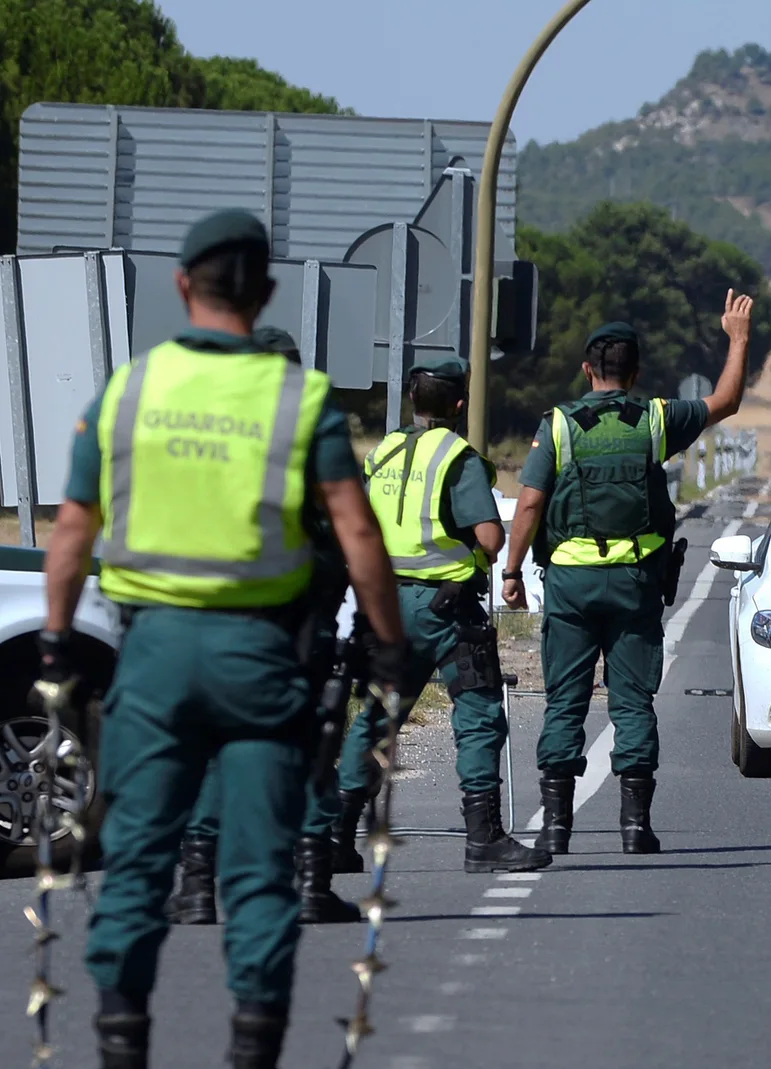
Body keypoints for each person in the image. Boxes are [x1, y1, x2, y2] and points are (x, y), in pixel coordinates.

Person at [36, 209, 408, 1069]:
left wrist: (56, 646)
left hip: (155, 655)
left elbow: (69, 534)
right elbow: (357, 534)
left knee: (134, 866)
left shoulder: (127, 390)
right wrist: (387, 645)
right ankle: (251, 1051)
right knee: (260, 871)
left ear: (182, 287)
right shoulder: (300, 398)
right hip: (259, 656)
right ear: (266, 291)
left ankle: (122, 1044)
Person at [501, 292, 754, 855]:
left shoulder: (561, 426)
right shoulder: (656, 419)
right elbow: (728, 400)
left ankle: (556, 829)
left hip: (569, 584)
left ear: (587, 369)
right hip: (636, 583)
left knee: (565, 701)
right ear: (636, 372)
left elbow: (530, 504)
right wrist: (737, 337)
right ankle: (635, 828)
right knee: (633, 702)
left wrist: (512, 570)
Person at [163, 324, 367, 928]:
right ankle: (310, 886)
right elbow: (354, 533)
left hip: (220, 621)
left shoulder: (213, 436)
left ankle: (198, 888)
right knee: (308, 747)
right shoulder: (317, 436)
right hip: (301, 623)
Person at [333, 353, 550, 873]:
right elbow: (490, 538)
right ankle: (484, 840)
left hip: (386, 605)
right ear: (459, 403)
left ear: (413, 400)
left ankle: (334, 835)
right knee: (477, 718)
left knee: (380, 717)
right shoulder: (459, 458)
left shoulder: (381, 452)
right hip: (446, 612)